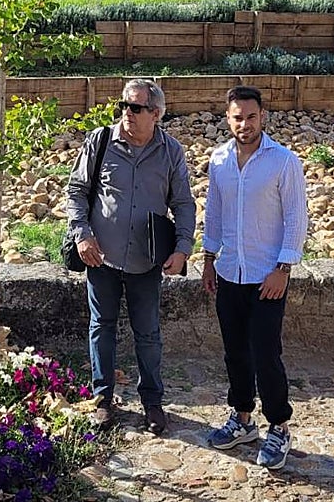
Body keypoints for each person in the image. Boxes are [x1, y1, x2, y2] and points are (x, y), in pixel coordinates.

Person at [66, 79, 196, 435]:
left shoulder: (171, 152)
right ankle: (102, 400)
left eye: (135, 108)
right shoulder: (100, 141)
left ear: (156, 114)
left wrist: (183, 248)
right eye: (123, 105)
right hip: (101, 258)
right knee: (101, 328)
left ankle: (152, 403)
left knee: (148, 334)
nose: (127, 113)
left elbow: (183, 203)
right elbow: (76, 190)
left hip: (146, 261)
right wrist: (82, 234)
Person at [202, 85, 308, 470]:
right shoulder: (219, 160)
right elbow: (214, 213)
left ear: (263, 116)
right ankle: (242, 418)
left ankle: (278, 425)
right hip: (229, 272)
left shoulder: (283, 161)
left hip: (268, 276)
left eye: (251, 116)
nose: (244, 124)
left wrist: (284, 268)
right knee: (235, 353)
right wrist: (209, 259)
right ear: (227, 119)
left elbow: (296, 218)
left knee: (266, 355)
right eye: (237, 117)